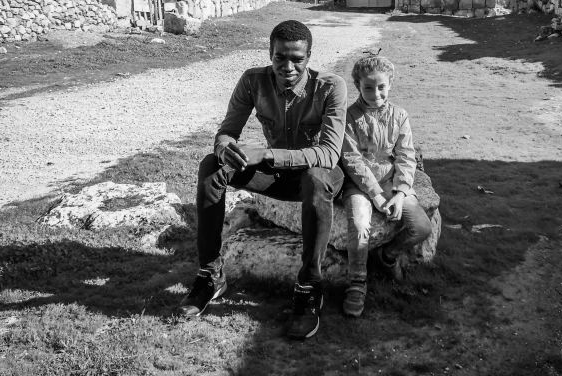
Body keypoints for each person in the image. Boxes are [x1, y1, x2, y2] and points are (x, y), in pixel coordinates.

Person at [179, 20, 347, 340]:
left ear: (309, 57)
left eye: (297, 59)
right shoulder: (252, 81)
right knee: (210, 167)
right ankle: (211, 274)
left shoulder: (330, 86)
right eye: (280, 57)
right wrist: (226, 149)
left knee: (314, 178)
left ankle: (310, 285)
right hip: (280, 179)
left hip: (321, 177)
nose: (288, 66)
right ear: (270, 53)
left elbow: (328, 154)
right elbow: (227, 132)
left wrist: (267, 156)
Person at [340, 55, 432, 317]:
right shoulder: (349, 117)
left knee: (421, 227)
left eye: (381, 87)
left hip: (393, 181)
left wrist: (401, 193)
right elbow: (352, 159)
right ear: (358, 86)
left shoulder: (400, 116)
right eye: (368, 87)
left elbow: (406, 155)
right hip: (360, 184)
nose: (376, 93)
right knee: (359, 225)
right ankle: (357, 282)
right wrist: (376, 195)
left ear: (390, 84)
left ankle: (387, 256)